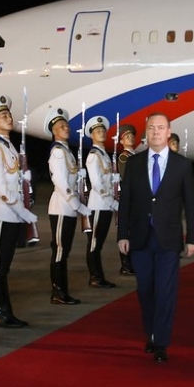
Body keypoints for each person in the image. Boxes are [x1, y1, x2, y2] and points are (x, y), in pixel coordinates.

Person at [117, 113, 194, 362]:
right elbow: (126, 201)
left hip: (168, 239)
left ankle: (161, 341)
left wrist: (192, 238)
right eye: (151, 128)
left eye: (160, 128)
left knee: (165, 291)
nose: (155, 132)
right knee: (145, 290)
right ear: (146, 132)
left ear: (168, 131)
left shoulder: (182, 165)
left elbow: (191, 204)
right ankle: (151, 332)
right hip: (140, 237)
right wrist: (122, 234)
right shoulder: (134, 163)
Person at [0, 95, 36, 328]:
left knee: (4, 266)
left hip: (13, 213)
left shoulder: (8, 146)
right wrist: (20, 210)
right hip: (3, 213)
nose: (9, 118)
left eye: (9, 114)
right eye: (3, 116)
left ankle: (5, 311)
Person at [46, 108, 90, 304]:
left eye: (66, 125)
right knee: (60, 251)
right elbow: (60, 181)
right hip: (61, 207)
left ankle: (62, 290)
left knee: (64, 251)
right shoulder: (57, 152)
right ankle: (58, 292)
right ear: (54, 131)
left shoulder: (65, 151)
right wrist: (77, 204)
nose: (66, 128)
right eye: (61, 126)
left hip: (69, 208)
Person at [84, 115, 118, 288]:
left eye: (103, 130)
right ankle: (95, 277)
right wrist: (112, 201)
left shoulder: (103, 154)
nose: (102, 133)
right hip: (98, 205)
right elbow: (97, 184)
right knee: (94, 244)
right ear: (92, 136)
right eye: (97, 131)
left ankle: (98, 276)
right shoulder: (93, 155)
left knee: (99, 243)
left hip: (105, 206)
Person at [116, 123, 137, 276]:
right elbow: (127, 178)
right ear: (121, 141)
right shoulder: (124, 157)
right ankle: (126, 264)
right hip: (130, 197)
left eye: (131, 136)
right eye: (127, 136)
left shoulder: (135, 155)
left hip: (137, 198)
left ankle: (132, 262)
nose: (130, 138)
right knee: (127, 231)